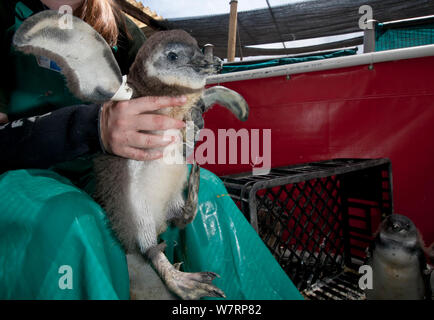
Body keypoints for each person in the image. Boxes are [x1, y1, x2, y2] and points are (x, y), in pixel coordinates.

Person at [0, 0, 302, 300]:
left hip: (104, 173)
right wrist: (90, 127)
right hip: (25, 174)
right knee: (72, 219)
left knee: (207, 193)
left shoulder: (120, 28)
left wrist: (179, 117)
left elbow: (156, 91)